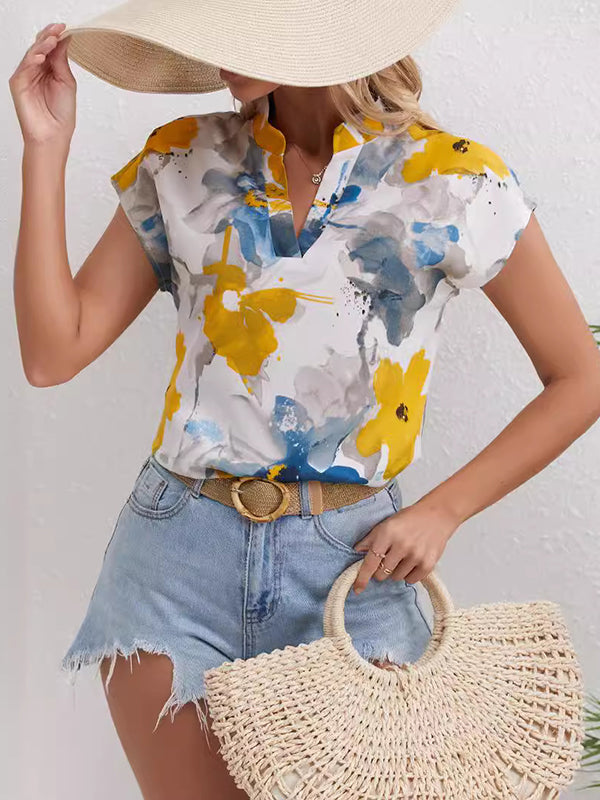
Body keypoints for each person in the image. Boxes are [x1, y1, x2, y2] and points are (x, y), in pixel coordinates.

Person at [9, 9, 600, 800]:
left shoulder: (457, 182)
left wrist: (443, 511)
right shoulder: (180, 159)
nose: (216, 49)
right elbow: (52, 355)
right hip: (174, 559)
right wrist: (45, 149)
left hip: (356, 570)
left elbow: (580, 378)